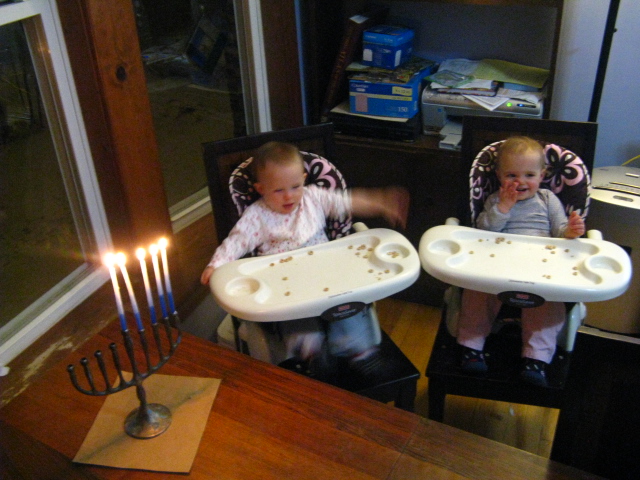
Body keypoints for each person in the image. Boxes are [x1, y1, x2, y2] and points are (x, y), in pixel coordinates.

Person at [201, 141, 409, 377]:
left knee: (348, 304)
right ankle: (312, 355)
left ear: (304, 179)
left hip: (325, 273)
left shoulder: (314, 198)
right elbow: (236, 241)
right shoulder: (256, 216)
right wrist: (216, 264)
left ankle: (359, 351)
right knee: (294, 319)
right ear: (261, 189)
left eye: (295, 186)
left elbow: (348, 201)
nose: (289, 196)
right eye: (278, 190)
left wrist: (380, 202)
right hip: (284, 283)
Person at [456, 136, 585, 386]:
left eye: (529, 175)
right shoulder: (496, 199)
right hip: (498, 263)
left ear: (542, 175)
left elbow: (559, 231)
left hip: (540, 267)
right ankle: (471, 346)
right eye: (512, 175)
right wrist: (503, 207)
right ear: (499, 175)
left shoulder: (547, 199)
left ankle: (536, 358)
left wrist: (570, 231)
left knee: (549, 300)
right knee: (477, 291)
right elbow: (483, 231)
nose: (520, 181)